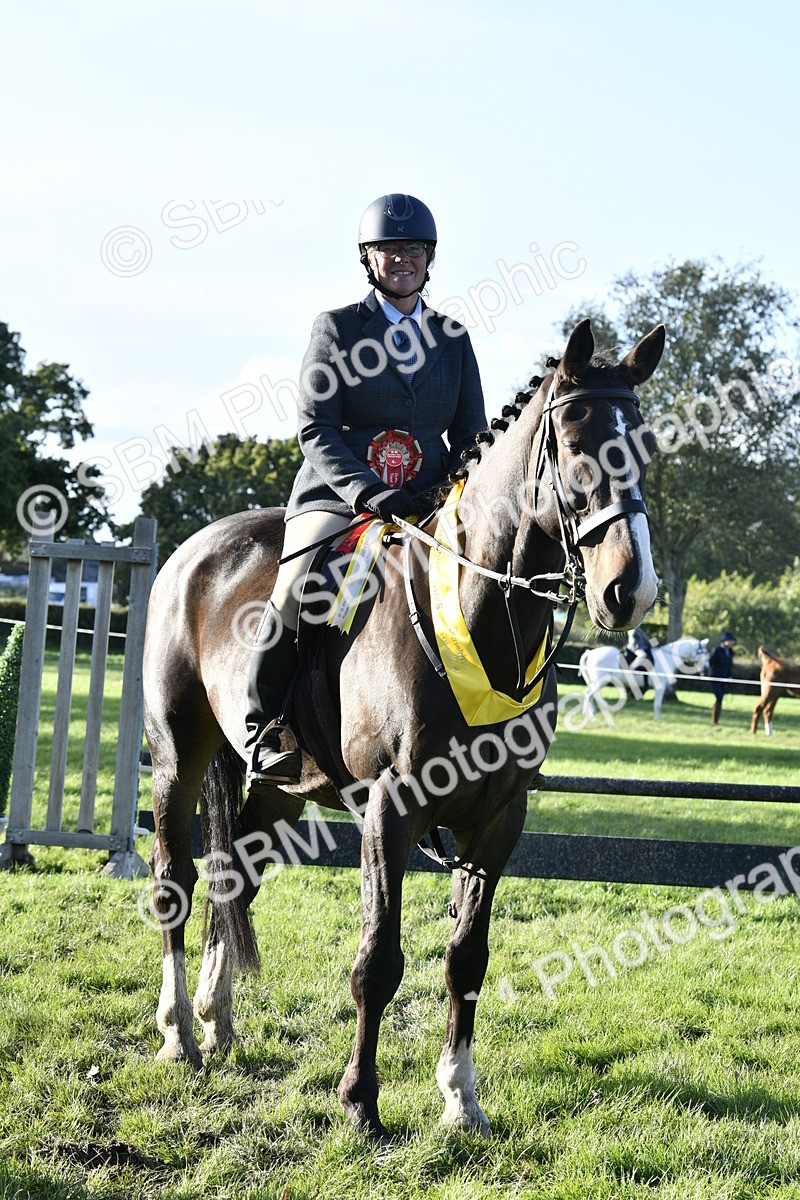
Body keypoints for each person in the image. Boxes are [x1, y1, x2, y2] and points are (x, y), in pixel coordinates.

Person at [245, 193, 487, 792]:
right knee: (296, 586)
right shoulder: (336, 328)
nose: (402, 259)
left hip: (428, 504)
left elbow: (470, 436)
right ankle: (264, 727)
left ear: (429, 258)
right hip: (339, 498)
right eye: (389, 249)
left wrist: (456, 491)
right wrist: (368, 492)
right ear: (368, 259)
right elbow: (315, 428)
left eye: (413, 249)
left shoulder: (452, 337)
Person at [706, 631, 736, 725]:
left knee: (720, 698)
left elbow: (729, 666)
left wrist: (730, 676)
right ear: (725, 641)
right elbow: (710, 663)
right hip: (715, 678)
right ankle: (715, 720)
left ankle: (715, 720)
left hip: (725, 679)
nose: (732, 643)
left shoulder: (730, 652)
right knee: (719, 697)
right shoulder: (716, 650)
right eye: (730, 641)